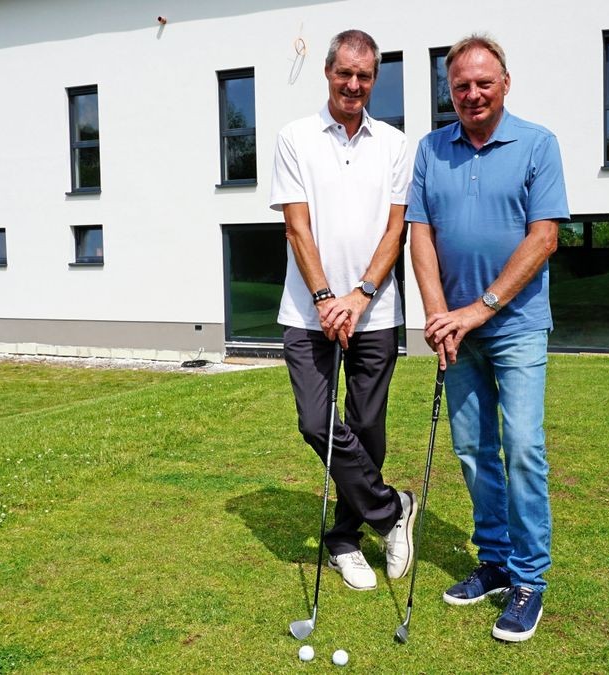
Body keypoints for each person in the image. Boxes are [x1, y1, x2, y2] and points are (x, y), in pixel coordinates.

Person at [407, 34, 569, 642]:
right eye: (460, 86)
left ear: (505, 83)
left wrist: (478, 309)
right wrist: (436, 315)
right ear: (448, 91)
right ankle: (496, 562)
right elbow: (418, 236)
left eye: (483, 83)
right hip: (456, 330)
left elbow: (544, 238)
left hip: (516, 327)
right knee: (474, 453)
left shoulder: (537, 144)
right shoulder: (430, 148)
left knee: (523, 448)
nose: (471, 95)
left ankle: (529, 579)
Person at [269, 29, 416, 592]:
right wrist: (328, 298)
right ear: (327, 72)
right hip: (308, 315)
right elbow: (296, 226)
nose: (353, 84)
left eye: (364, 75)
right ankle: (393, 509)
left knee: (368, 427)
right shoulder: (295, 137)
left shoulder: (396, 144)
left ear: (374, 79)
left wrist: (360, 295)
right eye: (344, 73)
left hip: (375, 313)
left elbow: (395, 228)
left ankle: (345, 539)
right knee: (315, 421)